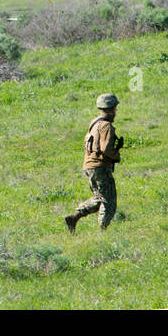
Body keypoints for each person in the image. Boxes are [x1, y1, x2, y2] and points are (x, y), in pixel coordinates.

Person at [65, 93, 123, 232]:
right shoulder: (106, 126)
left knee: (100, 197)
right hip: (100, 166)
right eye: (114, 109)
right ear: (110, 109)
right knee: (109, 201)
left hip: (89, 167)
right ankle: (102, 232)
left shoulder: (94, 124)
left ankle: (74, 217)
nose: (115, 112)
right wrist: (116, 156)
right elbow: (106, 149)